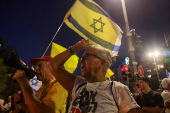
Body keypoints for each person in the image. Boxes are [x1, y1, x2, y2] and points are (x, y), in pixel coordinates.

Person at [48, 39, 140, 113]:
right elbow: (53, 65)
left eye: (86, 57)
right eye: (81, 59)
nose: (81, 61)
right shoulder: (78, 85)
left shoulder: (116, 88)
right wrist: (76, 47)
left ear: (102, 63)